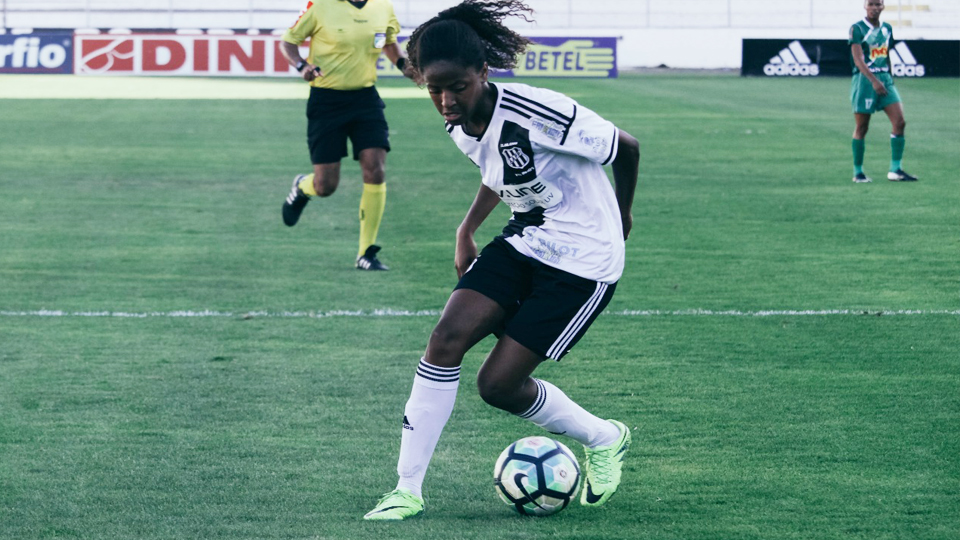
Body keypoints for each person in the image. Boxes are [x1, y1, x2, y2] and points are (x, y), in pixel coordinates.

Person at [362, 0, 641, 520]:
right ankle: (406, 489)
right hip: (529, 235)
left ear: (484, 73)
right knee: (445, 340)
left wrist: (622, 216)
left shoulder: (539, 112)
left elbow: (626, 147)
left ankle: (605, 437)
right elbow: (499, 169)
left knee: (497, 386)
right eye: (434, 89)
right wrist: (466, 229)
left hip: (585, 257)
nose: (446, 101)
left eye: (457, 88)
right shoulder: (457, 118)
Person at [279, 0, 413, 270]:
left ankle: (366, 253)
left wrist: (403, 64)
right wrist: (302, 66)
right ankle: (303, 187)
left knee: (375, 168)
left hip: (365, 99)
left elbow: (388, 42)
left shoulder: (383, 7)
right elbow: (288, 42)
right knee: (325, 186)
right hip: (326, 101)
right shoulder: (320, 5)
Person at [849, 0, 917, 183]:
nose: (874, 8)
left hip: (884, 79)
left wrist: (889, 78)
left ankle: (895, 170)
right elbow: (858, 60)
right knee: (862, 127)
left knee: (900, 122)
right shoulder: (857, 29)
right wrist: (874, 81)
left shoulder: (887, 28)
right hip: (865, 81)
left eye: (878, 4)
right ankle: (858, 172)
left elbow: (886, 55)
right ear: (865, 6)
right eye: (871, 4)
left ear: (883, 7)